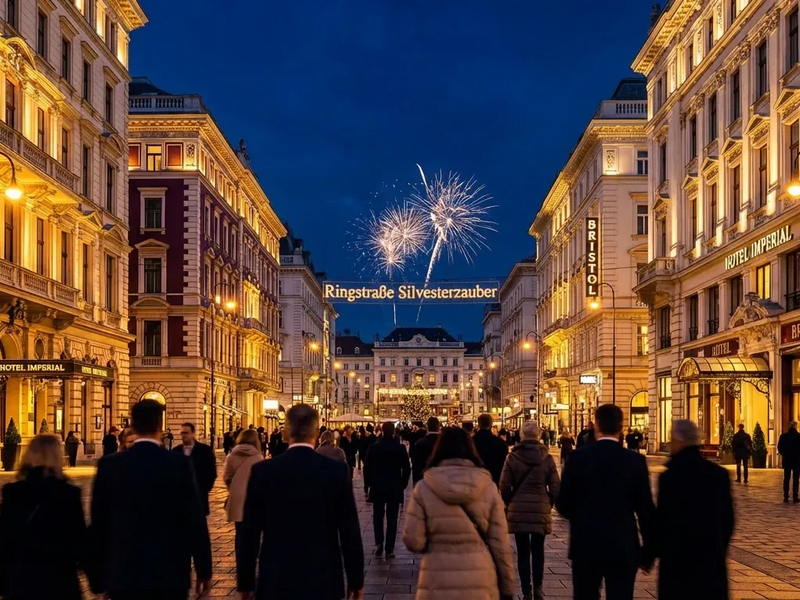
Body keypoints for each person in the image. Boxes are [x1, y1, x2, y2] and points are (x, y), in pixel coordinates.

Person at [237, 405, 363, 599]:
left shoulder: (264, 471)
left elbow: (249, 531)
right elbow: (349, 529)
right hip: (323, 577)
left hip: (276, 578)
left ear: (286, 431)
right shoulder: (335, 472)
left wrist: (246, 583)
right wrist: (355, 579)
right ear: (316, 431)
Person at [91, 399, 212, 599]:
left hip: (123, 572)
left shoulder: (109, 465)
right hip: (169, 572)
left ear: (133, 425)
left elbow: (99, 523)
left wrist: (99, 578)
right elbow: (194, 519)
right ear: (160, 426)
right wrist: (203, 569)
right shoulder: (178, 463)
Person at [403, 427, 515, 600]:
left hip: (436, 580)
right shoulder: (488, 487)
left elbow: (413, 541)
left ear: (438, 450)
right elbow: (500, 545)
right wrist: (507, 587)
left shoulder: (424, 487)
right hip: (479, 580)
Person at [556, 405, 655, 600]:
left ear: (596, 425)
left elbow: (563, 504)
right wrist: (649, 552)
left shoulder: (577, 458)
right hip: (622, 545)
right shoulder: (634, 461)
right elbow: (645, 509)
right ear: (621, 427)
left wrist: (582, 517)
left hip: (585, 544)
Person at [0, 435, 90, 600]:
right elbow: (79, 541)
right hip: (60, 581)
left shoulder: (13, 492)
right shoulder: (69, 494)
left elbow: (5, 538)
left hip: (21, 582)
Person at [657, 420, 734, 600]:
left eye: (672, 440)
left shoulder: (670, 476)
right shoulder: (719, 474)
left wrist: (651, 553)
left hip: (677, 563)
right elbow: (728, 520)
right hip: (710, 562)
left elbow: (663, 520)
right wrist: (718, 548)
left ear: (679, 441)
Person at [500, 422, 560, 600]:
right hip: (540, 506)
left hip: (518, 508)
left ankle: (527, 590)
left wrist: (510, 502)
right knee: (538, 550)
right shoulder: (547, 458)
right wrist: (548, 501)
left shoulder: (512, 458)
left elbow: (504, 486)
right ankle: (539, 588)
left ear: (521, 436)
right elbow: (556, 486)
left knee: (523, 551)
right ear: (539, 436)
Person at [364, 421, 411, 559]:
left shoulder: (374, 447)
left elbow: (367, 468)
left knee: (378, 517)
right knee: (392, 518)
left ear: (383, 431)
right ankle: (389, 548)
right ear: (394, 431)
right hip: (394, 487)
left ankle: (379, 542)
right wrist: (403, 484)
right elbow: (407, 468)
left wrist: (368, 485)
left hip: (378, 486)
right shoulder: (400, 448)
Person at [223, 429, 263, 556]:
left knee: (239, 531)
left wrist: (234, 488)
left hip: (237, 497)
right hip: (253, 498)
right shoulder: (258, 457)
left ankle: (240, 557)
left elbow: (226, 477)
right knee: (253, 531)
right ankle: (252, 556)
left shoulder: (231, 455)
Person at [173, 422, 217, 516]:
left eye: (186, 433)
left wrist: (204, 488)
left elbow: (211, 472)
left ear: (193, 433)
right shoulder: (176, 451)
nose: (184, 436)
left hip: (199, 494)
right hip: (180, 498)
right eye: (182, 433)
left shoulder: (205, 450)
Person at [472, 414, 509, 486]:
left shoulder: (471, 442)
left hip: (475, 479)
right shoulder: (499, 443)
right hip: (493, 479)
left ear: (479, 424)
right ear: (491, 424)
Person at [410, 416, 440, 485]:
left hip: (424, 480)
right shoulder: (444, 442)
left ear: (427, 426)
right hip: (441, 480)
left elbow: (416, 465)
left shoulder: (420, 443)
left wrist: (415, 482)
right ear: (438, 426)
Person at [778, 421, 800, 503]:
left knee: (786, 478)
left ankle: (786, 496)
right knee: (796, 479)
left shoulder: (783, 436)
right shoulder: (798, 436)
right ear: (795, 426)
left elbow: (779, 447)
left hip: (787, 460)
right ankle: (795, 496)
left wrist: (783, 454)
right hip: (796, 460)